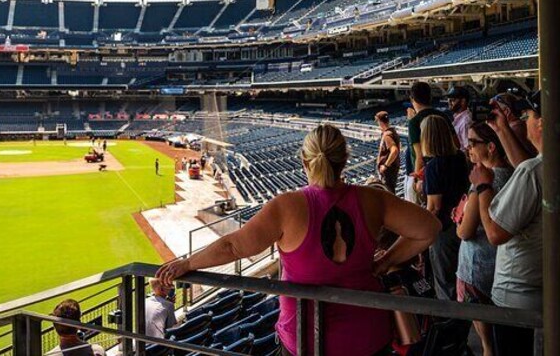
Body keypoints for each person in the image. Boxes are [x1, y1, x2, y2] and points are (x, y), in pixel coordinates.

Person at [156, 124, 441, 356]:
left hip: (306, 342)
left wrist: (187, 263)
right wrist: (384, 262)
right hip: (369, 337)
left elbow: (233, 245)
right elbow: (429, 228)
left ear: (305, 161)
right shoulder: (373, 199)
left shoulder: (286, 206)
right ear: (345, 159)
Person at [471, 91, 543, 356]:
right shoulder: (546, 165)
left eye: (528, 116)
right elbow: (524, 164)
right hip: (534, 293)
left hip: (515, 297)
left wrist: (482, 187)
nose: (524, 121)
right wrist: (500, 128)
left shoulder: (532, 172)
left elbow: (494, 233)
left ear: (541, 124)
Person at [454, 122, 513, 356]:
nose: (467, 148)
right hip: (501, 268)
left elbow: (464, 232)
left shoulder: (483, 180)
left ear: (490, 147)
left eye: (472, 143)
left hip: (477, 269)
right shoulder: (511, 174)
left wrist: (459, 220)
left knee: (488, 344)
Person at [421, 115, 469, 302]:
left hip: (443, 231)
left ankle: (450, 322)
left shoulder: (433, 166)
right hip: (463, 223)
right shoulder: (460, 158)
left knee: (445, 283)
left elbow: (434, 208)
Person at [405, 82, 455, 203]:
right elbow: (456, 144)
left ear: (412, 99)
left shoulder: (414, 122)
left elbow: (419, 156)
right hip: (449, 170)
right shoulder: (443, 116)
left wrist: (417, 180)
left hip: (427, 176)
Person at [374, 111, 401, 191]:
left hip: (388, 171)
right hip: (391, 170)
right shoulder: (392, 132)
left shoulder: (387, 135)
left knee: (388, 193)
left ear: (380, 122)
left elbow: (394, 151)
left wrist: (385, 165)